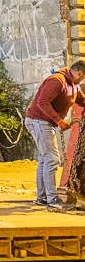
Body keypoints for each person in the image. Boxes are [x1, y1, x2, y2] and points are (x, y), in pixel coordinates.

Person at [25, 61, 85, 209]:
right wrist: (59, 121)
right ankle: (52, 200)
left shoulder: (73, 84)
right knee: (52, 159)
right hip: (39, 121)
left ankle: (42, 197)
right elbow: (42, 102)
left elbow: (82, 99)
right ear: (80, 73)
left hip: (45, 122)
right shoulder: (57, 81)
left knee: (45, 159)